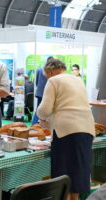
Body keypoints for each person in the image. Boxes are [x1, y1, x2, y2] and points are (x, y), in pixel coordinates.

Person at [37, 59, 95, 200]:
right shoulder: (77, 79)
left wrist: (40, 116)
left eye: (46, 76)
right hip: (86, 129)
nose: (46, 79)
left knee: (63, 177)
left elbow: (44, 110)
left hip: (66, 133)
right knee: (77, 175)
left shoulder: (53, 81)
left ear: (50, 72)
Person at [32, 56, 54, 125]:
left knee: (38, 109)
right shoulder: (52, 71)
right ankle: (38, 124)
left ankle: (34, 124)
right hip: (47, 93)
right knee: (47, 110)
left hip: (39, 93)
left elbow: (36, 82)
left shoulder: (39, 69)